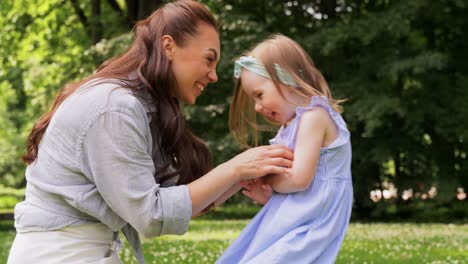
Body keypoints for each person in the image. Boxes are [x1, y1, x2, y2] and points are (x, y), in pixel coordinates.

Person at [6, 1, 294, 264]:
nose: (214, 75)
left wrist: (245, 172)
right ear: (169, 46)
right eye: (209, 59)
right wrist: (235, 169)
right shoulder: (115, 108)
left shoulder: (136, 106)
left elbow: (175, 201)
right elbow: (152, 216)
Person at [216, 34, 353, 263]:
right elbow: (295, 188)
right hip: (297, 218)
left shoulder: (314, 116)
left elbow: (299, 180)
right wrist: (269, 195)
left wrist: (266, 179)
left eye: (259, 95)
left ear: (286, 79)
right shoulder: (291, 126)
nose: (258, 107)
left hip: (310, 223)